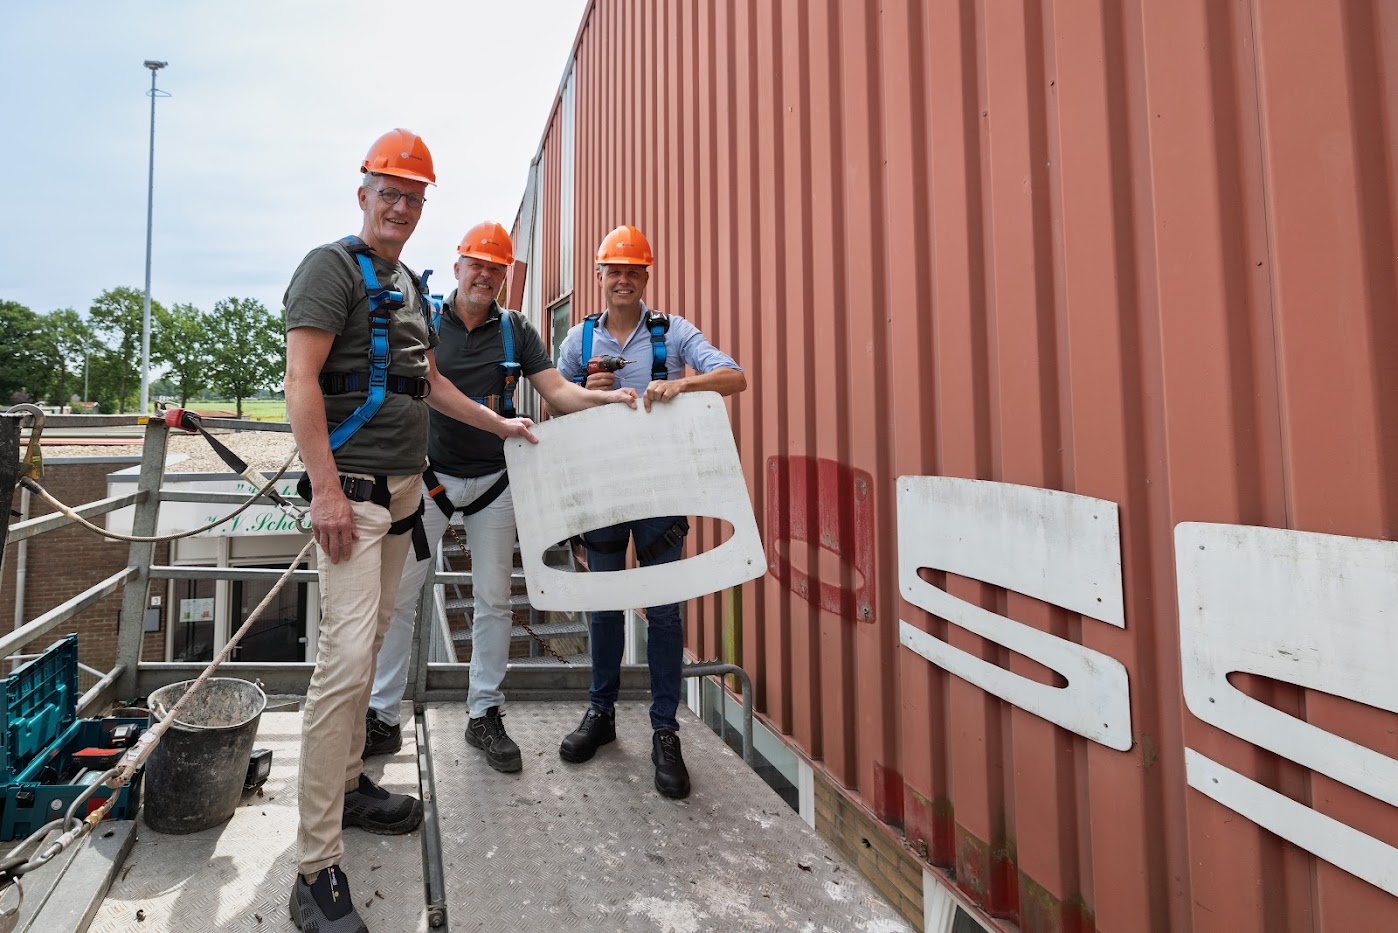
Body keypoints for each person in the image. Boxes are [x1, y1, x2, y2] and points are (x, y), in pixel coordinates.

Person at [283, 131, 537, 933]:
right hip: (352, 497)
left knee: (371, 648)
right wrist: (325, 488)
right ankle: (315, 867)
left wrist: (501, 422)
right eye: (389, 191)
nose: (400, 205)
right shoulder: (330, 269)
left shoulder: (403, 286)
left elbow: (427, 384)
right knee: (345, 664)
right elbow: (300, 378)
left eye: (413, 195)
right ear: (363, 193)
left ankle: (349, 785)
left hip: (399, 497)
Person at [363, 222, 636, 771]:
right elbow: (429, 386)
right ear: (458, 267)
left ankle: (484, 712)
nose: (484, 276)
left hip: (495, 482)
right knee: (397, 599)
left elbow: (556, 391)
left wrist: (607, 401)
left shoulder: (515, 330)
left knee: (494, 601)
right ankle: (382, 717)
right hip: (428, 480)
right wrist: (499, 423)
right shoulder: (423, 320)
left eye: (495, 269)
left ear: (504, 277)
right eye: (476, 265)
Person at [554, 224, 746, 799]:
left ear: (645, 277)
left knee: (663, 612)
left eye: (632, 272)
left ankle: (665, 730)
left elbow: (735, 377)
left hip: (662, 490)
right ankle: (602, 714)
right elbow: (555, 406)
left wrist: (682, 387)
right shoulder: (578, 341)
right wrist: (588, 387)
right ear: (600, 276)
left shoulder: (672, 332)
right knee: (605, 606)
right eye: (614, 271)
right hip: (605, 489)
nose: (623, 280)